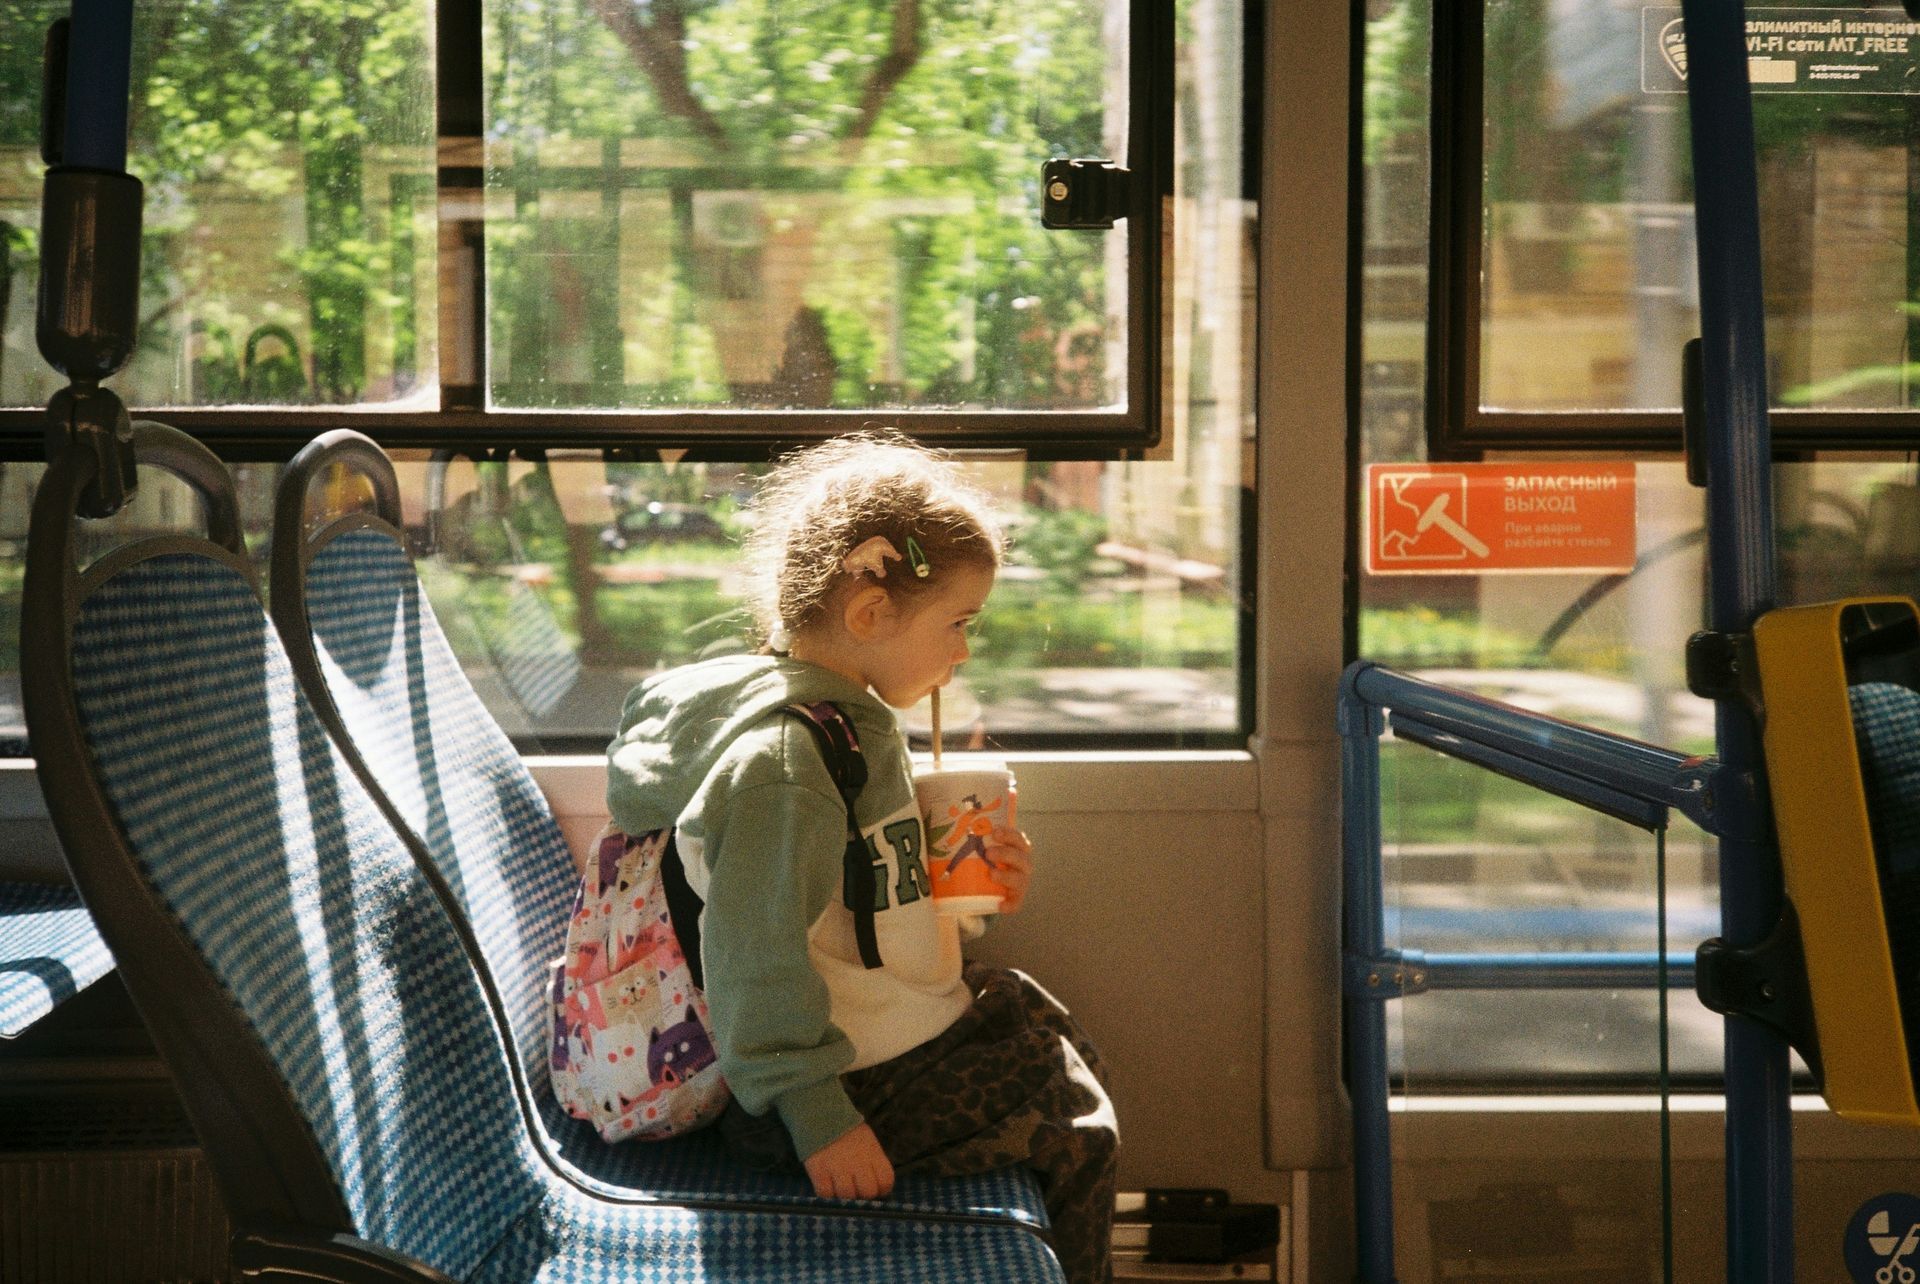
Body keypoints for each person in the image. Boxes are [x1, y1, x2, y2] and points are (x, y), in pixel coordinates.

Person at [603, 432, 1119, 1282]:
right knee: (1072, 1116)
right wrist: (816, 1115)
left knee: (1028, 1012)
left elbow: (859, 892)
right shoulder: (785, 766)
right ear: (872, 615)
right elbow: (751, 951)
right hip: (818, 1091)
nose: (963, 651)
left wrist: (971, 888)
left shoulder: (846, 725)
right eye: (957, 624)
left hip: (866, 1038)